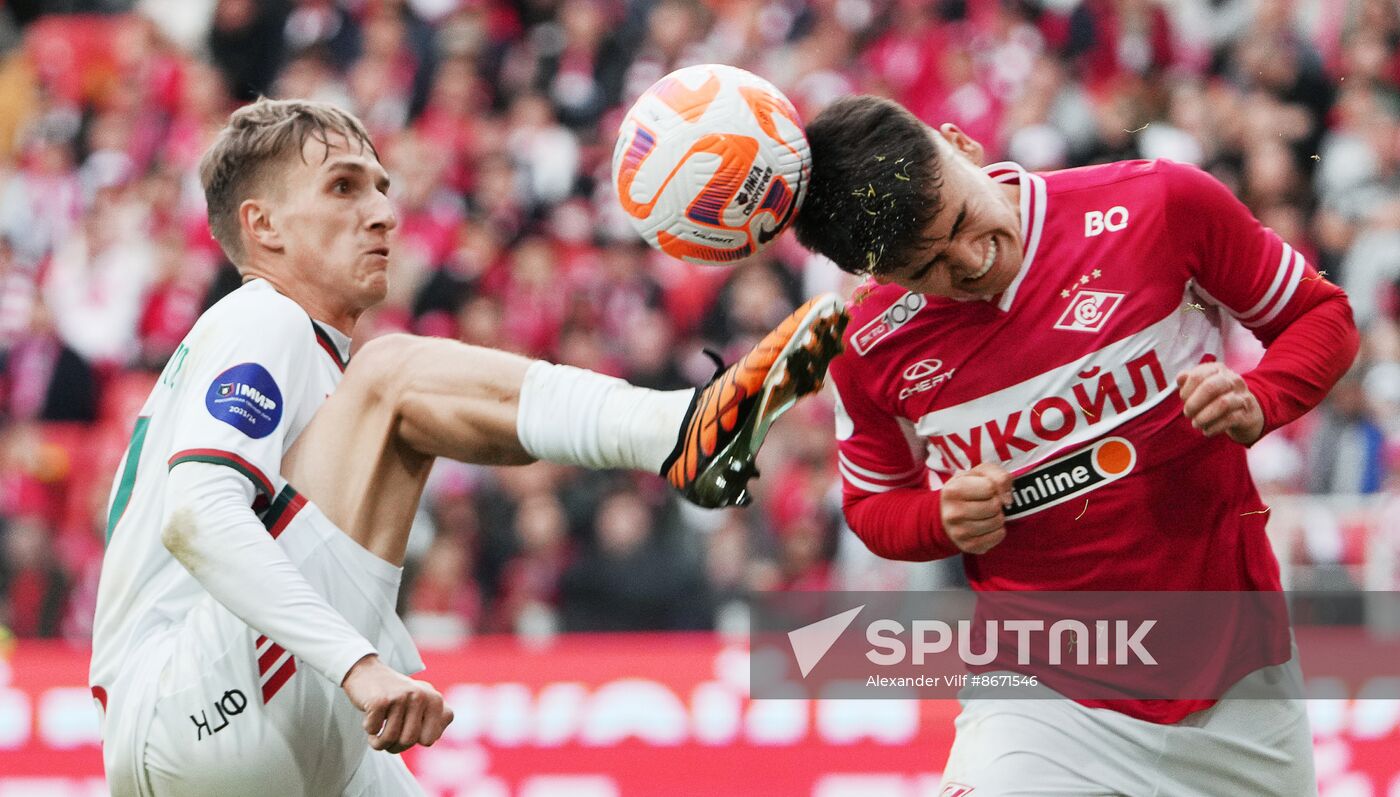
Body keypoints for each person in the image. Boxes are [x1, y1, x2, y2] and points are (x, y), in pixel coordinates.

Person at [89, 98, 847, 796]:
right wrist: (359, 664)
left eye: (382, 187)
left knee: (402, 402)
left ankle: (676, 431)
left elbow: (465, 425)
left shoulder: (303, 364)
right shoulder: (264, 318)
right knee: (394, 380)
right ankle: (676, 430)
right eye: (345, 188)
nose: (384, 213)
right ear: (265, 227)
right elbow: (196, 512)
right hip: (194, 708)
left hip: (241, 733)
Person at [793, 95, 1358, 796]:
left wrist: (1262, 397)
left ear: (960, 145)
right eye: (928, 266)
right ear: (879, 275)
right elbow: (873, 504)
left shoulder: (1158, 201)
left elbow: (1319, 315)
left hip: (1239, 676)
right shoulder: (867, 346)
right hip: (1041, 699)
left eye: (963, 221)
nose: (972, 260)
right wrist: (938, 518)